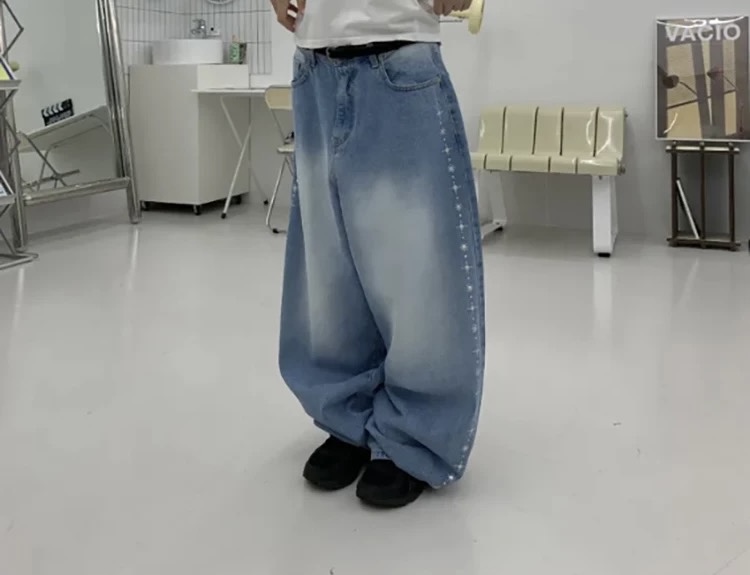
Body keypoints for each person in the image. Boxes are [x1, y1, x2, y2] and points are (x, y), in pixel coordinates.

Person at [272, 0, 484, 508]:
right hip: (314, 57)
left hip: (399, 48)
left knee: (416, 268)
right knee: (329, 266)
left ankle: (413, 432)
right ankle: (346, 416)